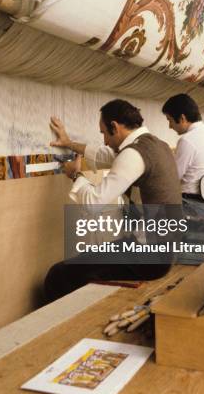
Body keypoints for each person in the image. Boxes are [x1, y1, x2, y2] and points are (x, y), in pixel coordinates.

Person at [43, 99, 181, 304]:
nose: (105, 140)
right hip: (166, 251)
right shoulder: (155, 144)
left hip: (150, 258)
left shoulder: (134, 154)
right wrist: (69, 143)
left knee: (59, 275)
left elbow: (93, 203)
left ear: (115, 126)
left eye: (104, 133)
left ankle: (66, 330)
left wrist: (76, 175)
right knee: (88, 264)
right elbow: (106, 154)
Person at [162, 94, 204, 203]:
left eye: (170, 120)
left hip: (193, 205)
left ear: (182, 118)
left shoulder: (187, 140)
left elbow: (174, 177)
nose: (170, 126)